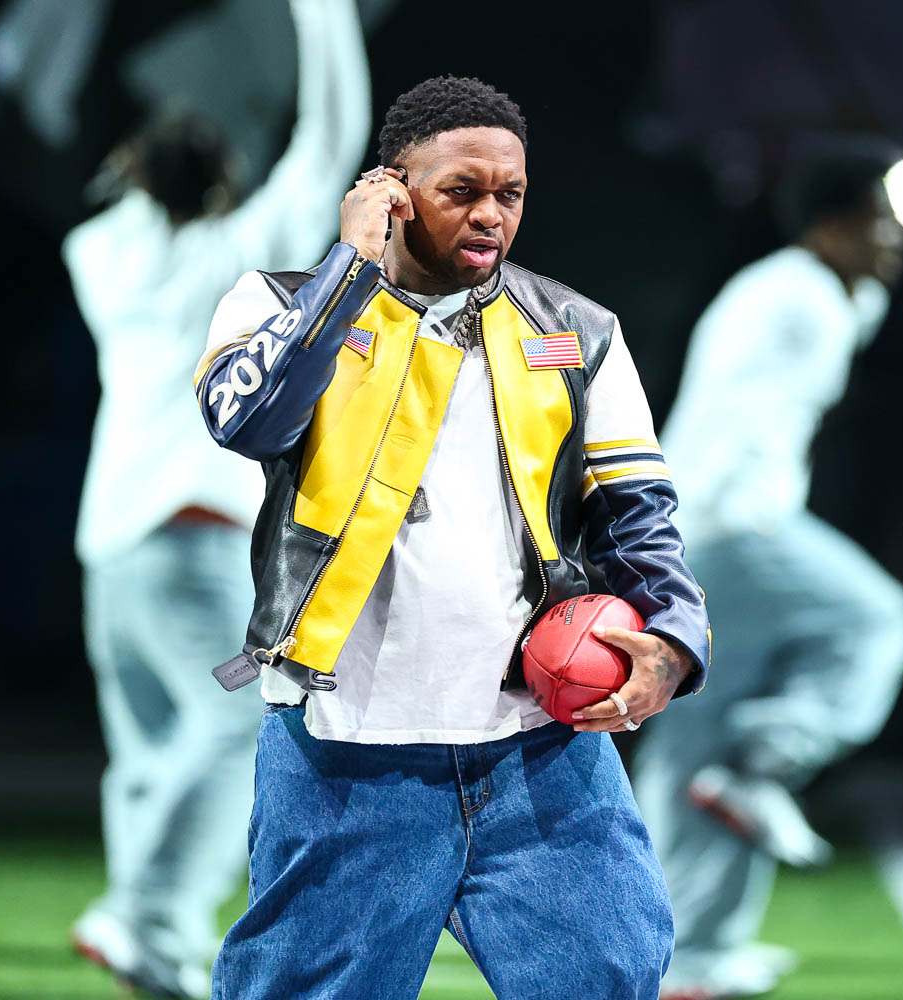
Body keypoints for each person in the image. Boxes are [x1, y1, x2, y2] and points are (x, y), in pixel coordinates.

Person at [193, 74, 710, 999]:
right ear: (391, 190)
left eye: (508, 194)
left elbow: (642, 514)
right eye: (459, 191)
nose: (491, 216)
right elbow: (250, 421)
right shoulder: (272, 299)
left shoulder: (579, 331)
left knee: (610, 969)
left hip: (538, 748)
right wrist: (348, 273)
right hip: (345, 747)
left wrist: (673, 638)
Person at [64, 0, 370, 995]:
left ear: (131, 179)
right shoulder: (241, 251)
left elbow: (127, 190)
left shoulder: (100, 257)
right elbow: (330, 134)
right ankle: (144, 916)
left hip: (110, 545)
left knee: (152, 752)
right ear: (222, 183)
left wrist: (141, 160)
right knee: (237, 724)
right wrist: (323, 14)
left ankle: (152, 938)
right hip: (193, 536)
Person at [634, 139, 903, 1000]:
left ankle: (694, 957)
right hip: (734, 524)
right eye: (881, 220)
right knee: (877, 622)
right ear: (832, 226)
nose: (896, 240)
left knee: (692, 745)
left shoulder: (785, 287)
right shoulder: (807, 300)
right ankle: (772, 760)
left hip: (682, 528)